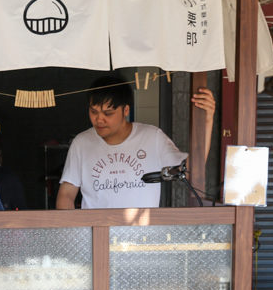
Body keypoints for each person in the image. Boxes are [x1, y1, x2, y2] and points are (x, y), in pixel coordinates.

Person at [55, 75, 215, 209]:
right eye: (93, 111)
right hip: (97, 238)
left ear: (126, 110)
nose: (99, 119)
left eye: (108, 113)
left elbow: (189, 169)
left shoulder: (152, 137)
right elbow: (66, 194)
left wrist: (206, 120)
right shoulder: (82, 143)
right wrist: (74, 235)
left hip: (141, 238)